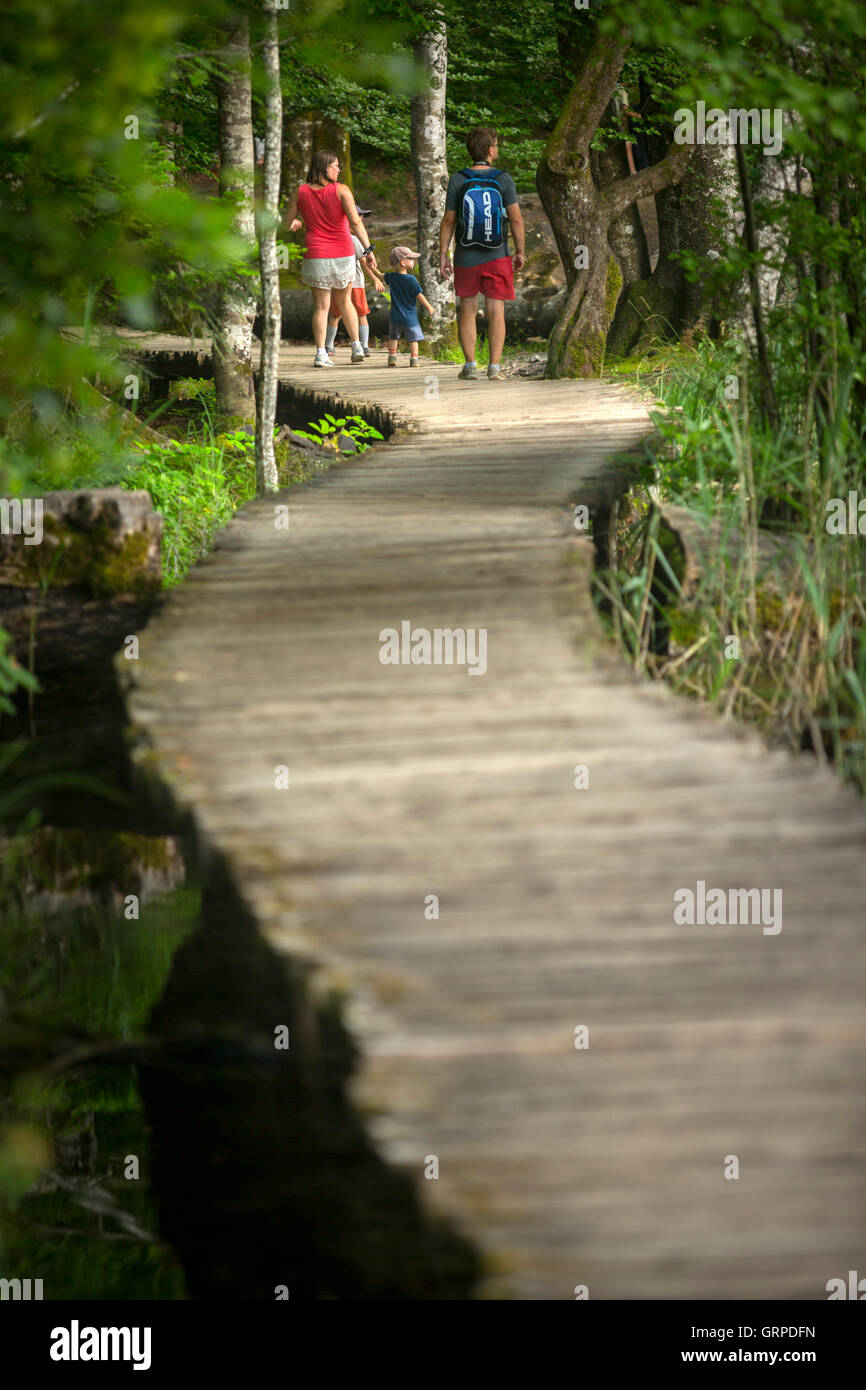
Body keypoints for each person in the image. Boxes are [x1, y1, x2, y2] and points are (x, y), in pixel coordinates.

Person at [438, 126, 525, 382]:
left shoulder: (458, 179)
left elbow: (448, 221)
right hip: (497, 254)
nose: (497, 148)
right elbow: (517, 220)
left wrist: (444, 255)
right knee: (496, 309)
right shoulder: (503, 179)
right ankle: (495, 368)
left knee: (467, 308)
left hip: (466, 254)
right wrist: (519, 251)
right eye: (496, 144)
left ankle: (470, 365)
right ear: (490, 150)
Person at [283, 151, 379, 367]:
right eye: (335, 166)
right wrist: (368, 249)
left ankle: (320, 354)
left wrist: (298, 223)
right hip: (343, 253)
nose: (338, 170)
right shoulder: (342, 190)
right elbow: (356, 223)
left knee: (321, 307)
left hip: (316, 254)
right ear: (324, 167)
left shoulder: (300, 192)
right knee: (345, 301)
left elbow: (285, 224)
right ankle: (356, 346)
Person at [326, 209, 386, 359]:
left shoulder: (334, 238)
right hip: (353, 282)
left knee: (345, 314)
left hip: (342, 282)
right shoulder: (353, 239)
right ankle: (360, 345)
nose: (361, 222)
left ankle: (330, 345)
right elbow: (365, 262)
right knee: (351, 314)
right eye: (359, 219)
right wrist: (375, 278)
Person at [383, 248, 433, 367]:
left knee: (393, 337)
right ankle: (414, 359)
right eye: (411, 258)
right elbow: (419, 296)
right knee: (413, 339)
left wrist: (370, 267)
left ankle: (392, 358)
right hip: (409, 316)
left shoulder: (391, 277)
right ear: (403, 262)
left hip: (395, 315)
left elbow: (380, 275)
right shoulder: (411, 279)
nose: (413, 261)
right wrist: (429, 307)